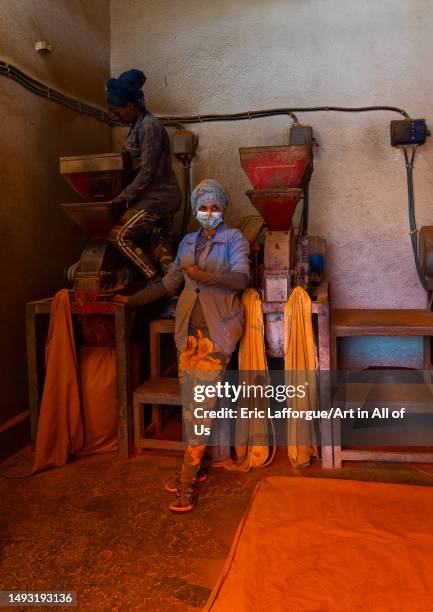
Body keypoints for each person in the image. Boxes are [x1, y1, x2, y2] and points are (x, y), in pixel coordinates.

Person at [115, 179, 250, 512]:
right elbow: (170, 283)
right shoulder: (188, 242)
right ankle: (195, 468)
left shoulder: (234, 239)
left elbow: (241, 278)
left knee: (200, 410)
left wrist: (203, 275)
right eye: (203, 207)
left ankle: (187, 484)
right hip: (188, 333)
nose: (209, 213)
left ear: (223, 209)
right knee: (192, 406)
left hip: (217, 333)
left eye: (215, 207)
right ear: (195, 208)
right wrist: (132, 301)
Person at [106, 69, 181, 282]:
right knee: (162, 253)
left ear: (130, 106)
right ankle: (175, 302)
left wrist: (123, 197)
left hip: (155, 200)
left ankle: (155, 283)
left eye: (118, 112)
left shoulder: (149, 126)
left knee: (118, 236)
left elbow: (147, 171)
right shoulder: (136, 126)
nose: (117, 117)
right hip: (157, 198)